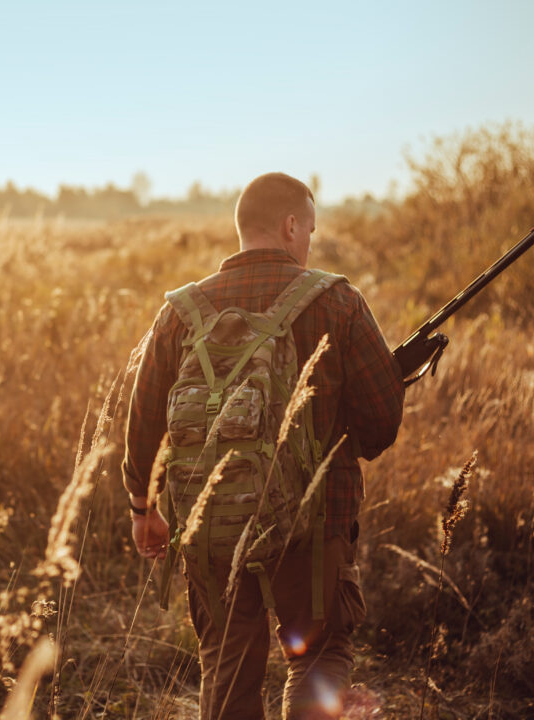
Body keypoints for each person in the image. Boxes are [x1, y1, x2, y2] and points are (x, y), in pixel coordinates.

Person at [121, 172, 405, 719]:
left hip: (212, 528)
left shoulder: (180, 312)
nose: (309, 244)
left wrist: (143, 507)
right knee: (319, 654)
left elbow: (144, 422)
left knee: (227, 663)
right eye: (310, 231)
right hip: (315, 525)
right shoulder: (338, 302)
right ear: (290, 224)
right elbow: (380, 427)